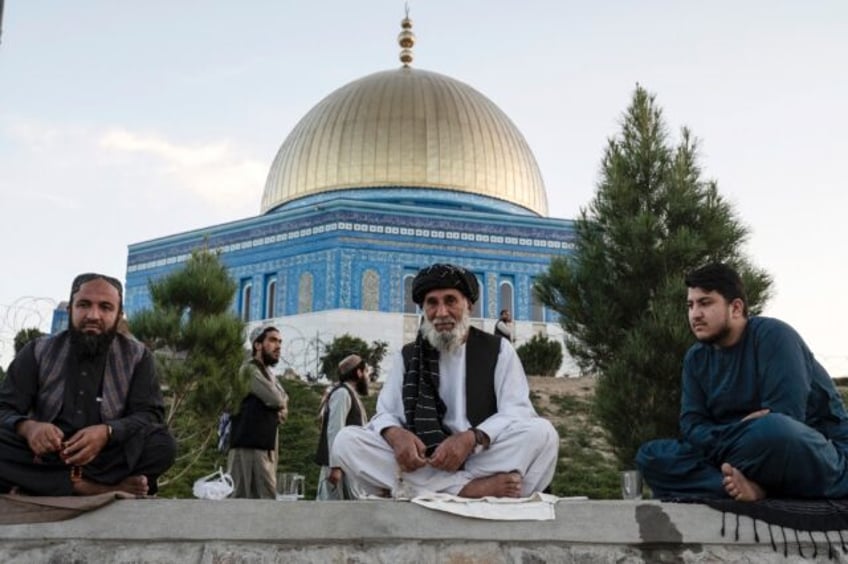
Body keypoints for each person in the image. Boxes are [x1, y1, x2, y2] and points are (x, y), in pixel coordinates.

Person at [331, 263, 559, 499]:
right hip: (426, 460)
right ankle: (469, 490)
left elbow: (517, 410)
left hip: (481, 456)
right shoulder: (408, 356)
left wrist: (471, 438)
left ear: (468, 305)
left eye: (450, 301)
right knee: (346, 442)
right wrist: (396, 435)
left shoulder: (498, 350)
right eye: (432, 303)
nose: (441, 313)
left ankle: (427, 491)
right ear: (423, 308)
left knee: (543, 434)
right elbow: (386, 413)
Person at [636, 263, 848, 501]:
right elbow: (691, 426)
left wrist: (722, 433)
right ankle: (742, 487)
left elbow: (786, 417)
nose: (695, 314)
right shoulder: (695, 358)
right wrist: (739, 429)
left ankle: (733, 485)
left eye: (705, 303)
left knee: (774, 430)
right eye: (690, 305)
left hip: (814, 451)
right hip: (739, 451)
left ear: (736, 308)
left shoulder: (774, 336)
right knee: (651, 455)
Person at [0, 273, 176, 496]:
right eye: (84, 305)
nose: (93, 315)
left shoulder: (137, 357)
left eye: (105, 307)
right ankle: (93, 487)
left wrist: (108, 432)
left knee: (162, 445)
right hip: (43, 453)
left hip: (104, 456)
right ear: (70, 309)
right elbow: (5, 408)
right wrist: (29, 428)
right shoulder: (37, 351)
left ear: (118, 315)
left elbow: (149, 415)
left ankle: (47, 484)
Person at [227, 325, 289, 499]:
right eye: (272, 340)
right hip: (248, 447)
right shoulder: (249, 370)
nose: (278, 346)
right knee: (244, 501)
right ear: (258, 345)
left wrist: (280, 405)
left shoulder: (268, 373)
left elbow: (283, 401)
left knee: (264, 502)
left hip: (265, 445)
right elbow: (276, 398)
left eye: (279, 342)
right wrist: (279, 404)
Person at [315, 354, 369, 500]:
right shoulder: (342, 394)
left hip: (348, 467)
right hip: (338, 469)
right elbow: (335, 430)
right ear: (358, 372)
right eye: (366, 372)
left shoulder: (351, 394)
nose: (367, 377)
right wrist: (336, 467)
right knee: (331, 514)